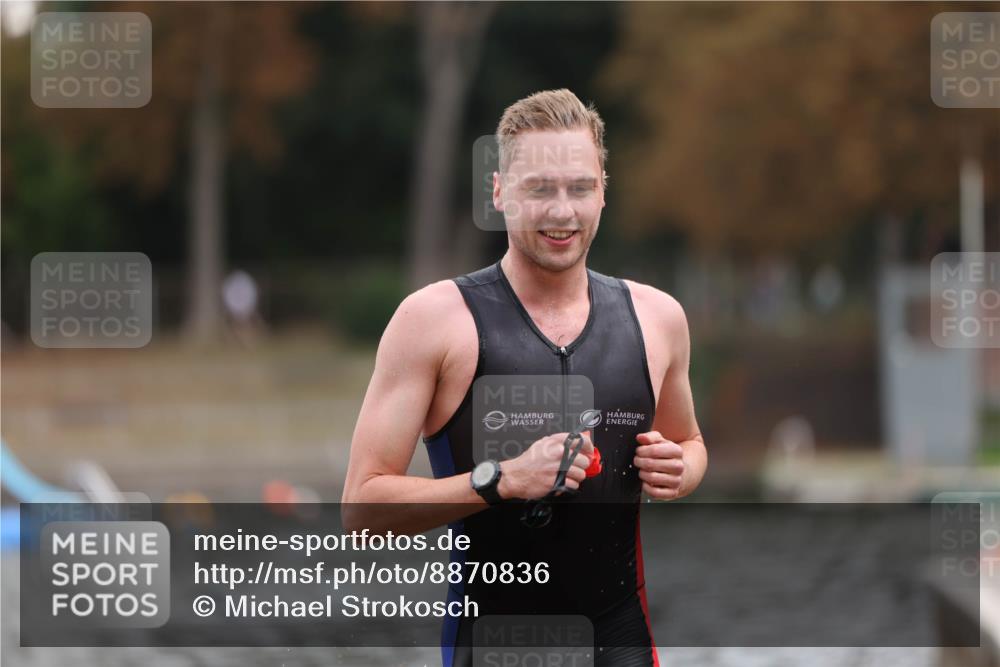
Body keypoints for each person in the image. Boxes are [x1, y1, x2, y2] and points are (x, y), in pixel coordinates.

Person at [342, 89, 707, 667]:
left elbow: (690, 444)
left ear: (603, 192)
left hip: (619, 643)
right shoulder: (434, 321)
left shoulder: (658, 319)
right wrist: (500, 480)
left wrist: (681, 469)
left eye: (579, 188)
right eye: (539, 188)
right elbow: (361, 511)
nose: (562, 211)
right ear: (499, 192)